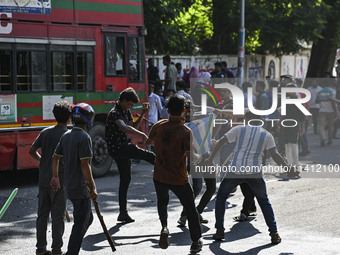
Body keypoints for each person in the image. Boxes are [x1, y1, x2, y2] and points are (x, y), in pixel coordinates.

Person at [204, 112, 297, 244]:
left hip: (235, 170)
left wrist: (210, 158)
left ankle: (219, 230)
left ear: (245, 119)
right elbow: (275, 154)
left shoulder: (238, 129)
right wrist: (288, 169)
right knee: (264, 201)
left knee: (221, 197)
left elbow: (222, 142)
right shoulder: (266, 134)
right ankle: (274, 233)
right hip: (255, 173)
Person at [147, 95, 202, 253]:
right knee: (190, 208)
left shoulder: (158, 125)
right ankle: (196, 242)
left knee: (162, 201)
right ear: (184, 111)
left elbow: (149, 142)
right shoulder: (185, 131)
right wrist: (201, 155)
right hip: (178, 177)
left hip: (159, 174)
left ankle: (164, 227)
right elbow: (191, 158)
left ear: (168, 110)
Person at [50, 103, 98, 255]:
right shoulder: (84, 137)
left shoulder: (66, 135)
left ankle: (73, 248)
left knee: (87, 219)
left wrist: (56, 177)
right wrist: (93, 187)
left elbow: (55, 157)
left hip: (69, 187)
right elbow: (85, 165)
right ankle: (72, 252)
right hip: (81, 188)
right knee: (80, 223)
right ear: (87, 119)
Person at [105, 88, 155, 223]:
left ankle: (123, 212)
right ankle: (165, 167)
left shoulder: (125, 111)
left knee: (125, 179)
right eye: (129, 104)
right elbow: (124, 127)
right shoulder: (115, 113)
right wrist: (142, 134)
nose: (130, 107)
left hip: (122, 148)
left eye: (132, 106)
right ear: (123, 101)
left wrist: (143, 114)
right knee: (146, 155)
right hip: (117, 148)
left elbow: (133, 126)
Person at [29, 101, 72, 255]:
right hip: (59, 179)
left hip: (43, 178)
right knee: (58, 215)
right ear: (69, 118)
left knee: (42, 214)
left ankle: (40, 249)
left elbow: (32, 151)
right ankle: (56, 249)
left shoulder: (45, 132)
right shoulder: (68, 135)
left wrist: (43, 161)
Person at [280, 84, 306, 166]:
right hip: (286, 124)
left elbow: (302, 116)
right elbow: (282, 114)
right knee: (287, 144)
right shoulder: (285, 100)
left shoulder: (299, 101)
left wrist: (302, 128)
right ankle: (289, 162)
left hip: (295, 125)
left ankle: (296, 162)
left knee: (294, 143)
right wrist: (279, 124)